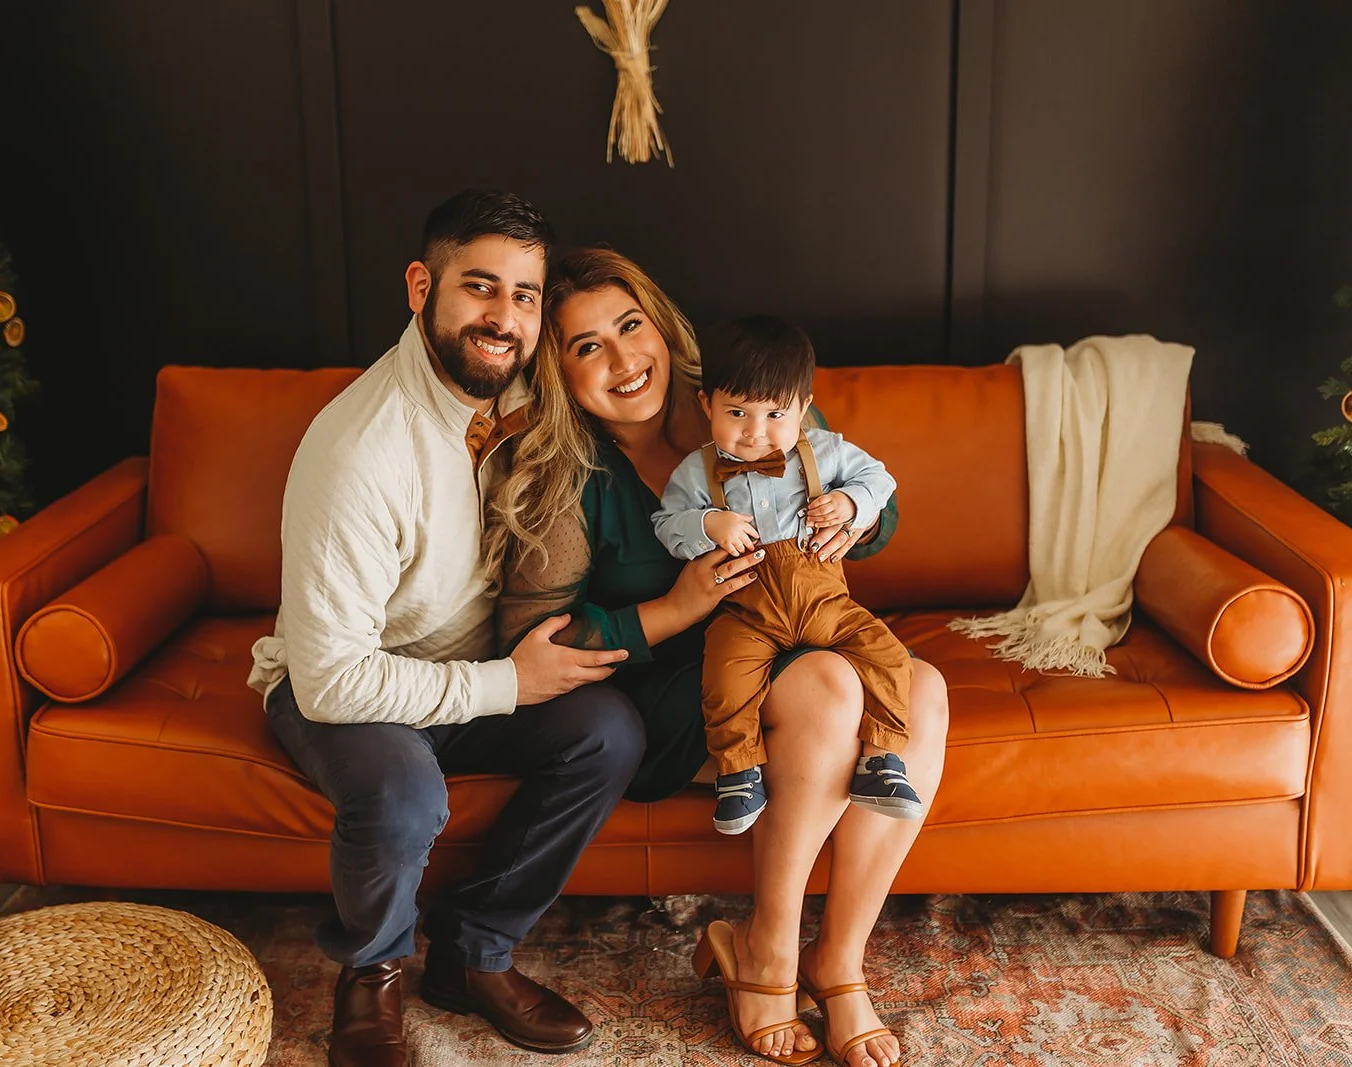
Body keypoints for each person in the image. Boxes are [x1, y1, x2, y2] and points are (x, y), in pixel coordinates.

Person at [486, 248, 950, 1067]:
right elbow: (536, 640)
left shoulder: (747, 394)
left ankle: (838, 960)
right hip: (669, 686)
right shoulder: (567, 473)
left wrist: (853, 518)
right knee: (831, 685)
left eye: (631, 326)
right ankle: (768, 949)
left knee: (927, 689)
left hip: (798, 630)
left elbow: (871, 496)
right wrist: (676, 606)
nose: (624, 360)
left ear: (662, 327)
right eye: (588, 346)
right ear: (559, 370)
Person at [249, 192, 645, 1067]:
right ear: (421, 287)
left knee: (609, 732)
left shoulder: (526, 399)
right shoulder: (360, 447)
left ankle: (473, 954)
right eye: (479, 287)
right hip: (348, 686)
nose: (504, 317)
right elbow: (331, 679)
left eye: (525, 295)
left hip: (468, 674)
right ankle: (373, 972)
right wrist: (509, 683)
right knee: (404, 790)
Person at [652, 315, 921, 835]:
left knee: (890, 657)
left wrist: (850, 503)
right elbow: (667, 526)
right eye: (737, 413)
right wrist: (708, 524)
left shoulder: (825, 450)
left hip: (827, 606)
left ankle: (881, 760)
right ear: (707, 404)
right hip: (747, 611)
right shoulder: (695, 471)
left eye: (776, 414)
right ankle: (738, 773)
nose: (755, 431)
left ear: (802, 406)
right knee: (725, 675)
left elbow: (879, 478)